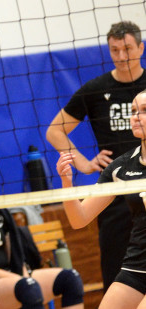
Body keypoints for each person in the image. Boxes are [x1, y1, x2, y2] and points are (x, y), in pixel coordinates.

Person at [46, 20, 146, 291]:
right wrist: (84, 163)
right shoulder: (96, 89)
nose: (121, 56)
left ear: (140, 48)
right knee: (117, 270)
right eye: (115, 50)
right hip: (115, 188)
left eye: (127, 48)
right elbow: (55, 131)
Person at [57, 89, 146, 308]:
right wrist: (67, 183)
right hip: (137, 265)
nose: (136, 116)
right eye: (133, 111)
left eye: (144, 111)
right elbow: (79, 219)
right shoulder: (121, 167)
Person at [0, 165, 84, 309]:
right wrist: (18, 279)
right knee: (29, 289)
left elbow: (16, 251)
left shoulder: (0, 211)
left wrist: (23, 275)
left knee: (70, 279)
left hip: (14, 277)